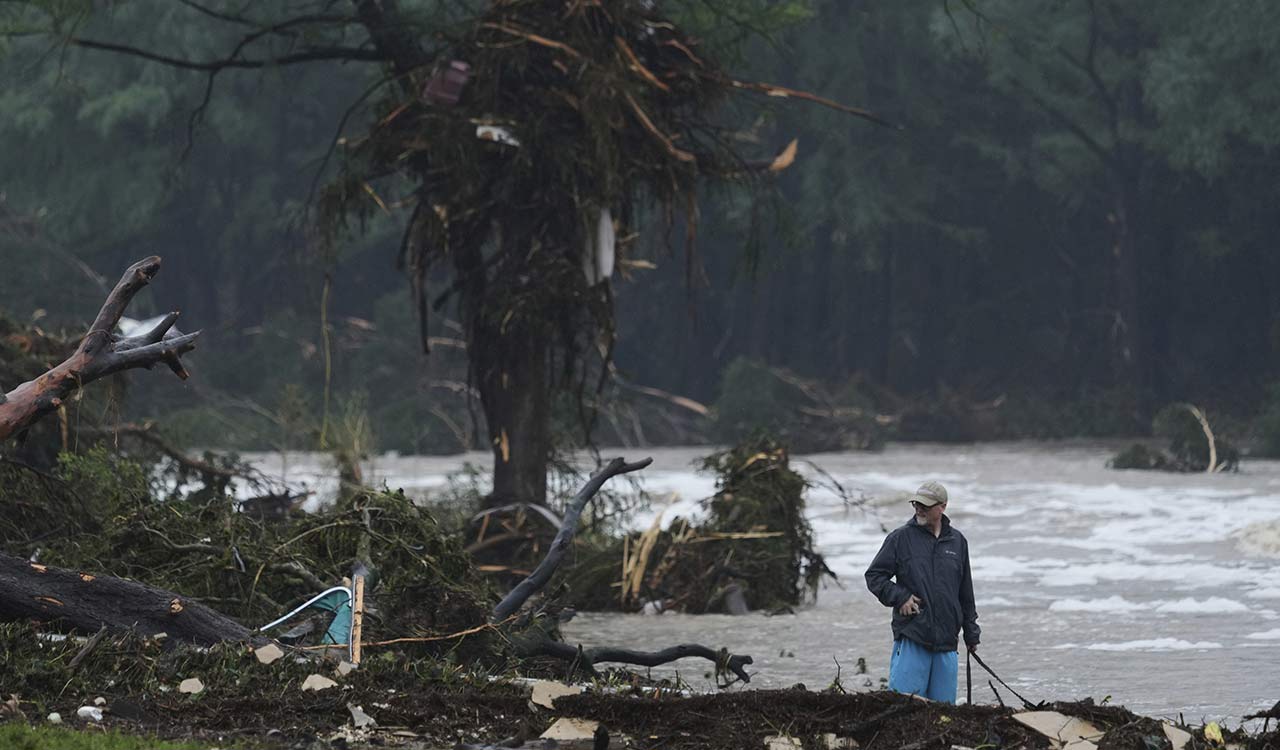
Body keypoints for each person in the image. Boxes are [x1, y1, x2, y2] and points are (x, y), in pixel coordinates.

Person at [864, 480, 980, 703]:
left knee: (944, 712)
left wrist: (971, 632)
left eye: (925, 505)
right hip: (913, 635)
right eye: (916, 504)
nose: (919, 509)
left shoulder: (958, 542)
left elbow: (966, 592)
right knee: (904, 708)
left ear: (942, 507)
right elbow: (874, 576)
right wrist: (900, 597)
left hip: (947, 642)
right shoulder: (900, 538)